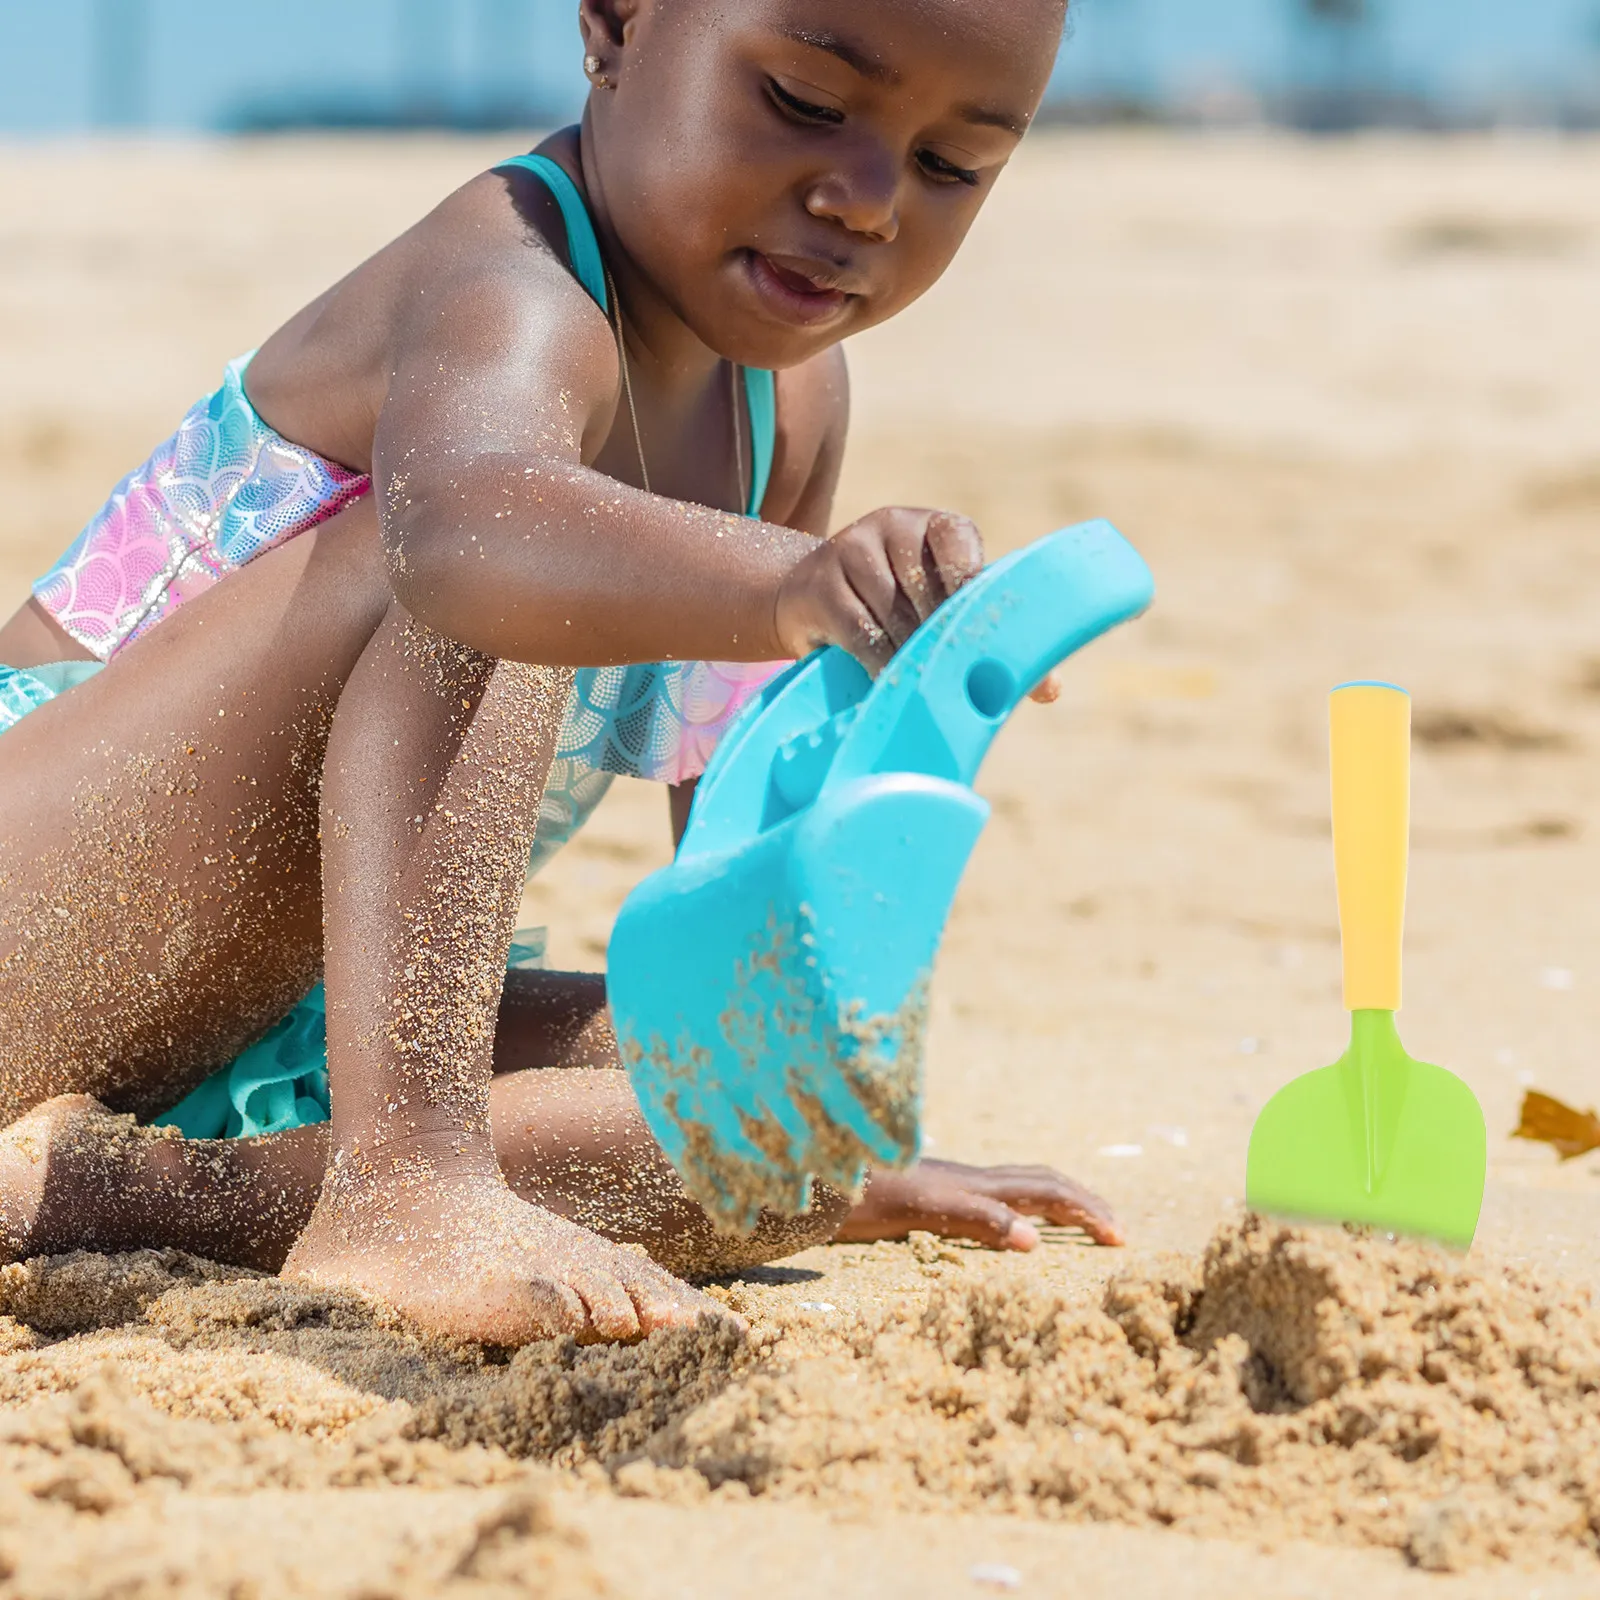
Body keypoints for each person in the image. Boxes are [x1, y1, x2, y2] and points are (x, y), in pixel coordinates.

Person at [0, 0, 1120, 1348]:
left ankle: (125, 1195)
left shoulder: (794, 405)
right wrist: (787, 583)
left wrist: (826, 1125)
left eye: (950, 166)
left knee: (770, 1127)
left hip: (263, 1020)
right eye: (807, 103)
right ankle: (406, 1183)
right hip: (49, 923)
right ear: (616, 24)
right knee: (486, 559)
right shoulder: (513, 284)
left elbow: (736, 875)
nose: (864, 198)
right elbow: (469, 534)